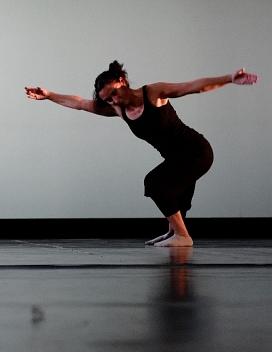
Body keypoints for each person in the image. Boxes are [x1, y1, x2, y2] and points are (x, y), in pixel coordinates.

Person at [25, 62, 258, 247]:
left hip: (196, 151)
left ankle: (183, 236)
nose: (114, 100)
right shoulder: (119, 109)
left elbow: (193, 86)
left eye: (114, 93)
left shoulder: (153, 92)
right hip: (177, 158)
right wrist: (49, 95)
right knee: (174, 192)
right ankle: (174, 233)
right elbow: (79, 103)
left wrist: (229, 78)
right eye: (108, 99)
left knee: (155, 183)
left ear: (122, 81)